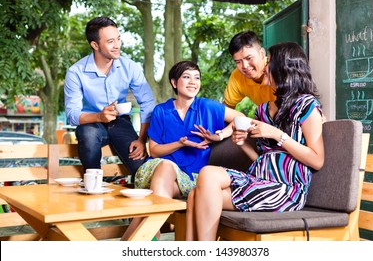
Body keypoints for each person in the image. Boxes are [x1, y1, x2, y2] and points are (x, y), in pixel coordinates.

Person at [186, 42, 325, 241]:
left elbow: (317, 160)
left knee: (202, 184)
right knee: (195, 193)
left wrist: (278, 135)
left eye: (269, 60)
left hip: (286, 189)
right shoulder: (263, 110)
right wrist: (242, 144)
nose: (265, 65)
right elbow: (263, 157)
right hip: (258, 180)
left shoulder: (307, 105)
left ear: (284, 67)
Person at [127, 60, 244, 239]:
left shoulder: (208, 107)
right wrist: (180, 144)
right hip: (155, 171)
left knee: (151, 203)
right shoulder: (161, 111)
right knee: (166, 166)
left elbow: (240, 118)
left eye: (197, 78)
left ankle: (144, 241)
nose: (193, 82)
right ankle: (150, 240)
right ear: (174, 83)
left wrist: (219, 136)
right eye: (186, 77)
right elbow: (155, 151)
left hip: (191, 179)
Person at [64, 16, 155, 177]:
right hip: (92, 123)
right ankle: (93, 184)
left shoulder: (130, 67)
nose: (117, 45)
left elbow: (147, 102)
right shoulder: (75, 72)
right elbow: (72, 115)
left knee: (141, 169)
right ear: (95, 45)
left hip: (121, 123)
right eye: (111, 41)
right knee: (88, 133)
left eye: (118, 39)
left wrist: (142, 139)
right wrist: (99, 116)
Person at [223, 31, 275, 108]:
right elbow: (227, 107)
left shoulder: (278, 68)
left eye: (249, 58)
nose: (245, 66)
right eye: (238, 62)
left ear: (262, 54)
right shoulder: (237, 76)